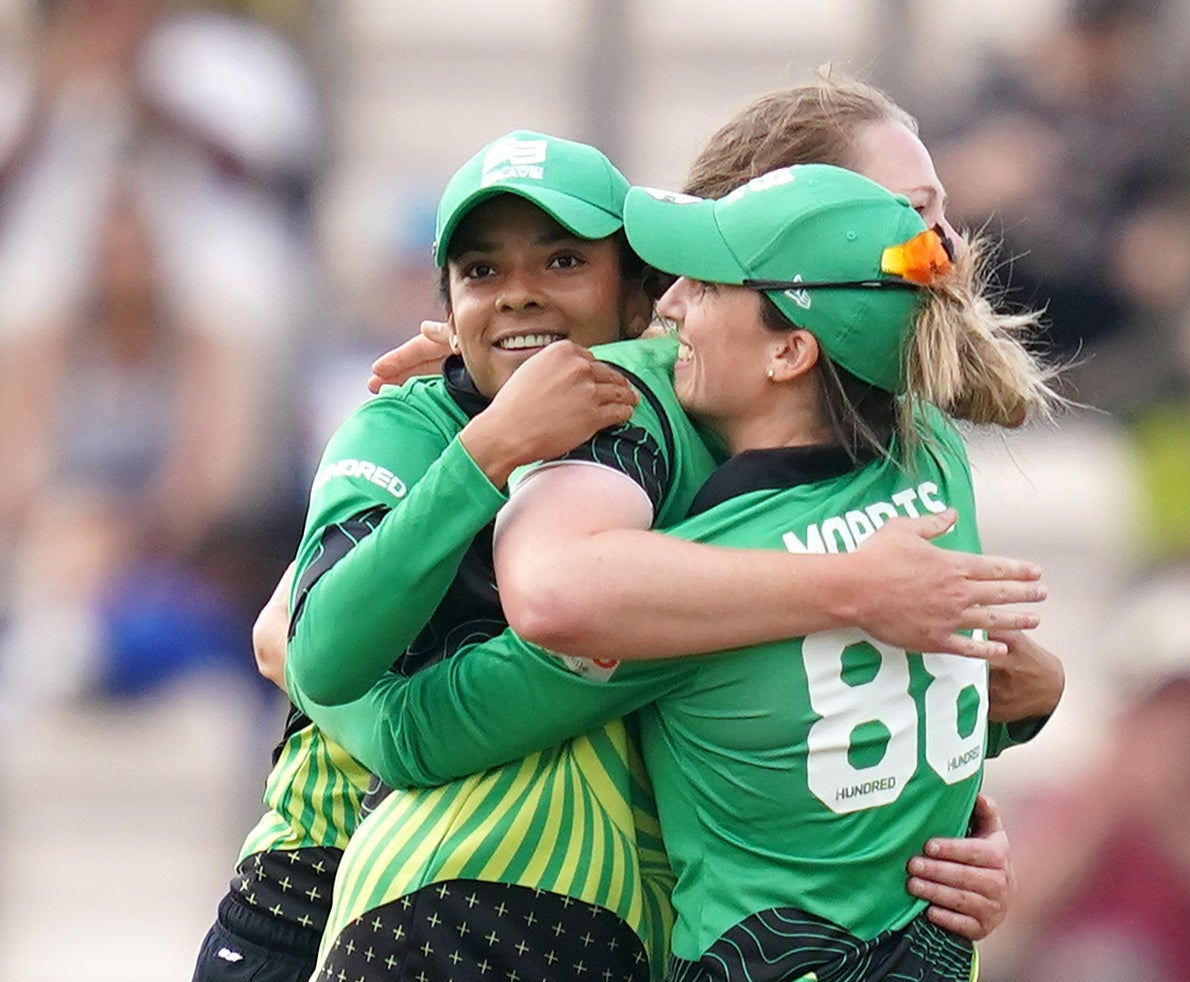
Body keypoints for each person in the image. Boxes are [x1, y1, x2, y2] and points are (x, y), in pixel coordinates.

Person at [283, 163, 1060, 982]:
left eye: (709, 284)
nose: (675, 305)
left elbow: (436, 714)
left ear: (792, 350)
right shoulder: (931, 455)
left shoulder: (708, 587)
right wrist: (1032, 694)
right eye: (481, 272)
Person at [191, 129, 651, 982]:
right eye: (481, 271)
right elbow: (310, 646)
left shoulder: (675, 449)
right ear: (449, 304)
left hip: (551, 919)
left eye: (561, 262)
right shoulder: (404, 424)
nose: (516, 296)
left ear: (639, 299)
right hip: (305, 894)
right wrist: (487, 452)